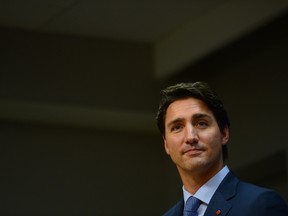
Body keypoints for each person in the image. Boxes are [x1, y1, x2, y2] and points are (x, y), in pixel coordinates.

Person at [156, 81, 288, 216]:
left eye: (201, 123)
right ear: (166, 144)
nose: (190, 137)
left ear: (224, 133)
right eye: (177, 127)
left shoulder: (261, 205)